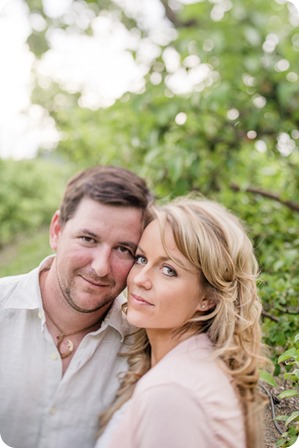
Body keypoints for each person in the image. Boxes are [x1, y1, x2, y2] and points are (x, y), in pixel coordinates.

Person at [0, 165, 154, 448]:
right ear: (57, 230)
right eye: (88, 239)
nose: (100, 267)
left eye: (123, 249)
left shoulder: (144, 344)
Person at [96, 195, 267, 448]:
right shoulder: (194, 364)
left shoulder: (171, 393)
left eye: (168, 270)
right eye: (141, 259)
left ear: (207, 298)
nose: (140, 279)